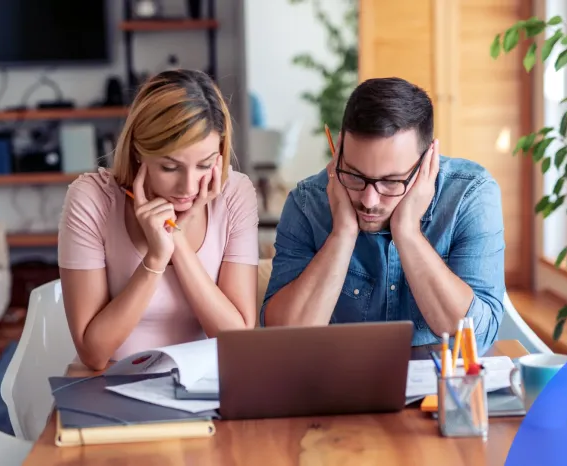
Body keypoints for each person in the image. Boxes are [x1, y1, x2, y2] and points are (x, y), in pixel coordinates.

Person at [261, 77, 506, 355]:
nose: (369, 200)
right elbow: (282, 340)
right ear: (338, 149)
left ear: (428, 162)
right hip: (340, 388)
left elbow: (477, 338)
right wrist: (342, 234)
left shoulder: (469, 195)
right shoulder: (307, 203)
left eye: (391, 182)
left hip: (440, 391)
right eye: (354, 175)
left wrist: (408, 233)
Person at [58, 69, 259, 370]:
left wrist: (176, 239)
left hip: (206, 388)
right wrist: (154, 259)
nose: (189, 187)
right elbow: (93, 354)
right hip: (113, 384)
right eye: (170, 167)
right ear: (140, 152)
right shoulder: (91, 199)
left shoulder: (234, 195)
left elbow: (238, 342)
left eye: (204, 165)